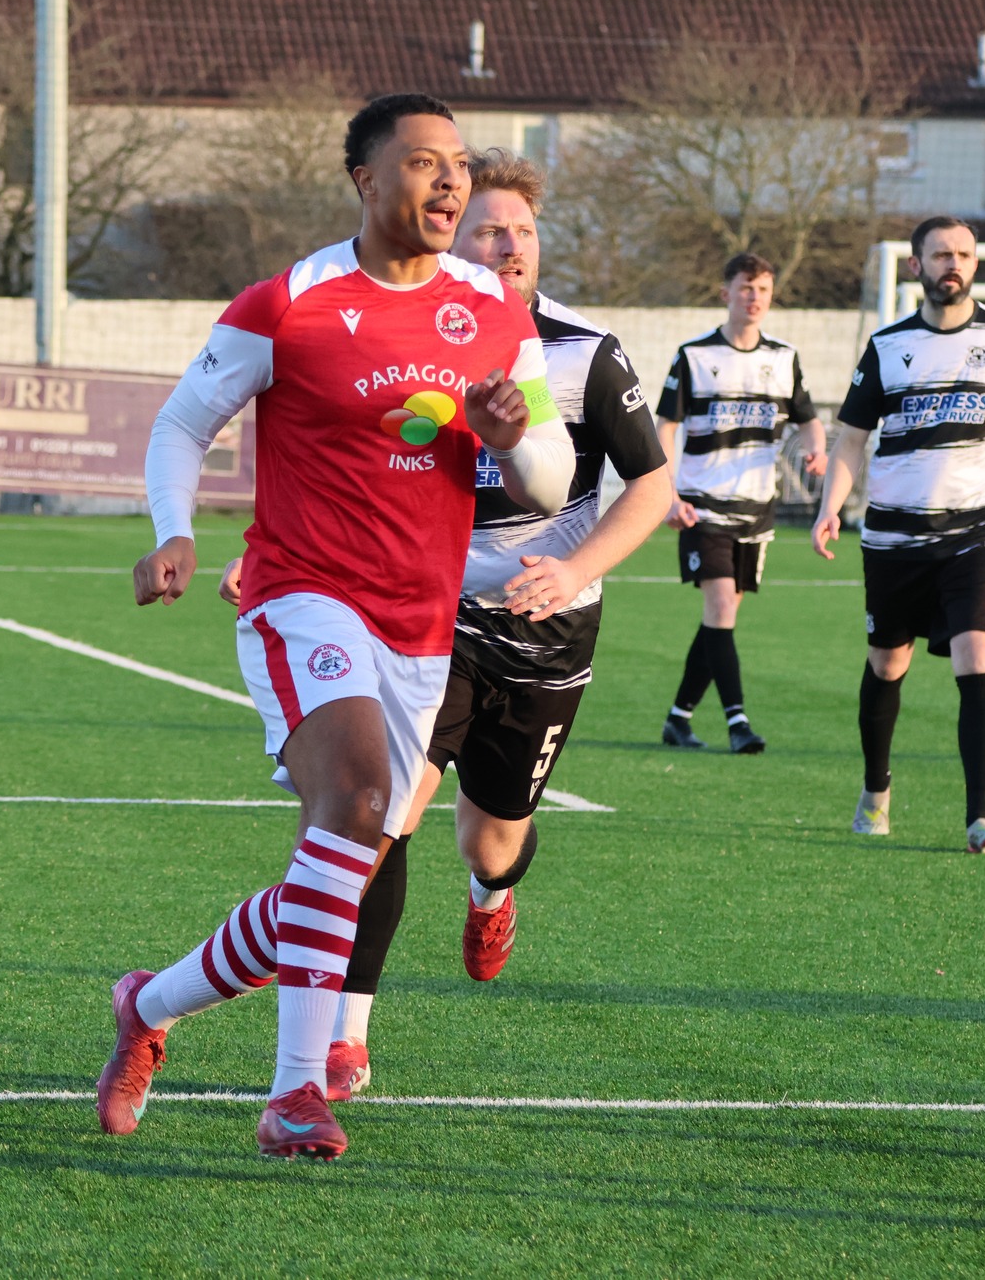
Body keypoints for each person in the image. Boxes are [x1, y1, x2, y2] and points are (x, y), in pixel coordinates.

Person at [96, 96, 575, 1161]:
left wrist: (509, 439)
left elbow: (548, 478)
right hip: (301, 594)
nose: (449, 181)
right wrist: (174, 532)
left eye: (458, 164)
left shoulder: (492, 312)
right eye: (423, 162)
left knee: (337, 867)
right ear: (365, 179)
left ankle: (148, 1003)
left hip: (421, 624)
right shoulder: (289, 303)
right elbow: (183, 423)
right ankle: (295, 1092)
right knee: (355, 802)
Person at [217, 149, 673, 1100]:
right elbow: (335, 466)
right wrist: (278, 560)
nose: (509, 247)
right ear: (453, 241)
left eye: (523, 232)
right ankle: (346, 1037)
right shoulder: (406, 335)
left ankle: (491, 894)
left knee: (492, 840)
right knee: (382, 812)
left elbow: (653, 485)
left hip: (547, 631)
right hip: (424, 614)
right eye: (489, 231)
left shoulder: (586, 353)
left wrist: (575, 568)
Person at [810, 215, 985, 853]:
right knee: (888, 663)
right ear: (916, 266)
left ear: (976, 263)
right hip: (892, 537)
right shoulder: (887, 346)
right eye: (940, 254)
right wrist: (830, 507)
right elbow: (851, 439)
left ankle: (980, 818)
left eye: (963, 254)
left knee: (978, 653)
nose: (953, 264)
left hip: (977, 532)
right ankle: (875, 790)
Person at [656, 253, 827, 753]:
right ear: (726, 293)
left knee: (722, 616)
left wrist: (816, 448)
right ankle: (738, 723)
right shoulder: (694, 356)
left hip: (757, 510)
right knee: (720, 606)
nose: (755, 298)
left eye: (763, 289)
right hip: (703, 507)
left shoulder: (784, 358)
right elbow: (665, 427)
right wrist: (667, 495)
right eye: (746, 288)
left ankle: (678, 718)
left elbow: (808, 419)